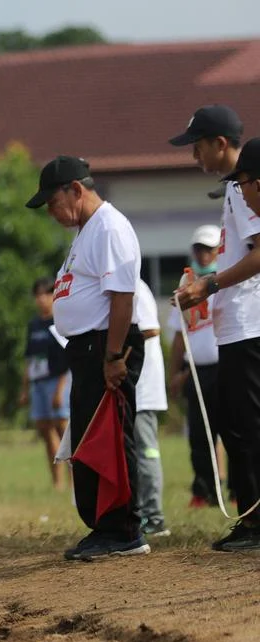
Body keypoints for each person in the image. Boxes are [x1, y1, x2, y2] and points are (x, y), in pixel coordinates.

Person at [26, 155, 148, 561]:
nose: (52, 213)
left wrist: (114, 356)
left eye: (53, 204)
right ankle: (104, 527)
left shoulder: (109, 228)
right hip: (87, 349)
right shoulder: (86, 231)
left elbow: (122, 297)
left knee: (110, 437)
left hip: (105, 348)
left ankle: (125, 530)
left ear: (75, 190)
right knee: (88, 441)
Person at [176, 134, 260, 552]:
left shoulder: (244, 191)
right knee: (233, 424)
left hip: (248, 325)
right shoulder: (236, 190)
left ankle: (256, 521)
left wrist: (208, 285)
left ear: (220, 142)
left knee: (247, 428)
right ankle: (249, 517)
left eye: (197, 147)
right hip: (234, 325)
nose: (194, 156)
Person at [166, 225, 224, 509]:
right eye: (199, 249)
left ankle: (241, 488)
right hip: (196, 370)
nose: (203, 254)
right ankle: (204, 491)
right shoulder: (185, 282)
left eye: (209, 249)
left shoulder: (228, 278)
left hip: (226, 365)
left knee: (236, 430)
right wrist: (174, 372)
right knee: (200, 435)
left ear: (218, 251)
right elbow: (180, 334)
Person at [19, 276, 71, 491]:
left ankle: (75, 481)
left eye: (46, 294)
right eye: (38, 295)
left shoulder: (60, 321)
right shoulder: (33, 325)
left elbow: (68, 358)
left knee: (64, 431)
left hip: (59, 380)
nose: (42, 299)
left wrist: (60, 390)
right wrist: (24, 388)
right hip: (38, 383)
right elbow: (30, 358)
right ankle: (57, 482)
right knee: (45, 431)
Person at [132, 277, 169, 537]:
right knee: (137, 454)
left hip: (143, 387)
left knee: (147, 453)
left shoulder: (135, 287)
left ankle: (154, 517)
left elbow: (151, 329)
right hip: (135, 387)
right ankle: (141, 513)